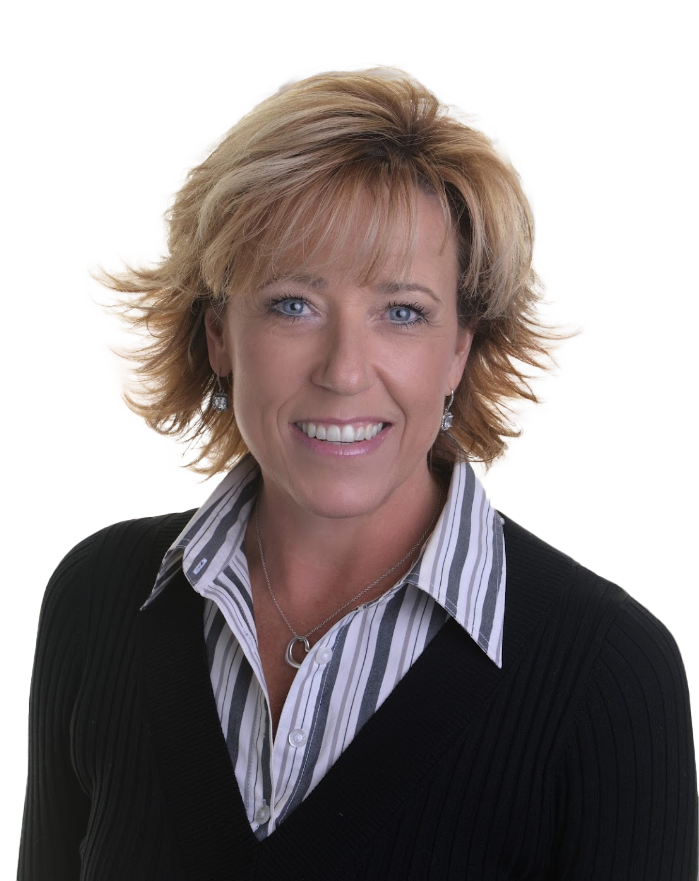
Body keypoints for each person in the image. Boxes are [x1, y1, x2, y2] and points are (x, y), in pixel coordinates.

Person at [18, 69, 697, 881]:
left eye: (401, 311)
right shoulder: (97, 599)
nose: (343, 370)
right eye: (292, 304)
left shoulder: (608, 671)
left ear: (458, 349)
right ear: (219, 334)